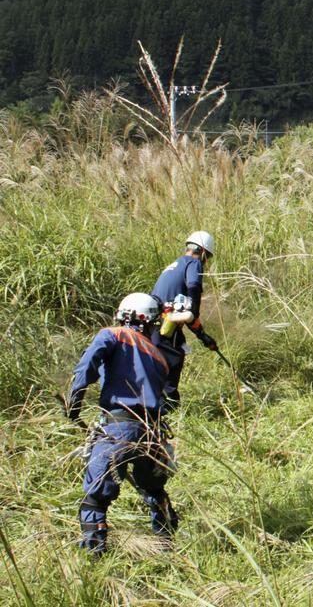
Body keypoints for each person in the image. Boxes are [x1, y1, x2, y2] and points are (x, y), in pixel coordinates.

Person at [63, 293, 179, 554]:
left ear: (125, 314)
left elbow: (87, 367)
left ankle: (95, 560)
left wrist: (74, 402)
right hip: (151, 432)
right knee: (154, 490)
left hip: (119, 426)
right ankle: (167, 547)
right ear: (149, 321)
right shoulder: (159, 357)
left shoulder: (113, 334)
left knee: (95, 496)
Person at [151, 231, 218, 409]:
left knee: (176, 347)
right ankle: (166, 410)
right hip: (164, 325)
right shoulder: (194, 263)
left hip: (154, 323)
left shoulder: (175, 264)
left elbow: (183, 311)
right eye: (207, 257)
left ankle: (157, 407)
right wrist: (194, 312)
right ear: (203, 253)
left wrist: (202, 336)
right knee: (172, 361)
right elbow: (194, 287)